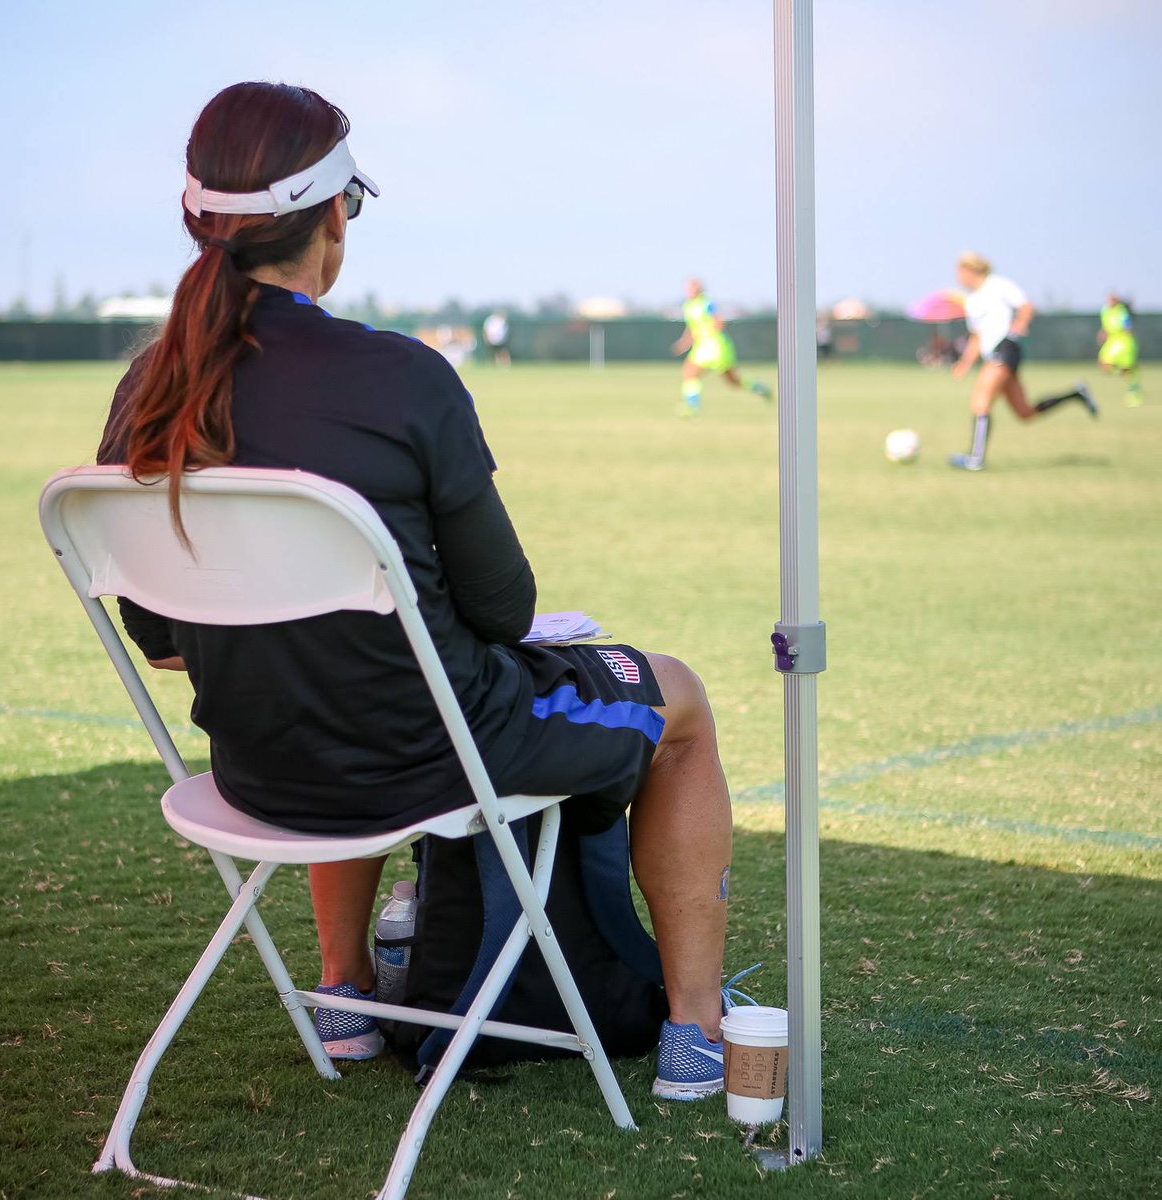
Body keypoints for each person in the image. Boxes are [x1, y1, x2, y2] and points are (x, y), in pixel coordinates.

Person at [95, 81, 736, 1103]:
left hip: (261, 775)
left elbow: (161, 641)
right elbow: (505, 614)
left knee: (320, 675)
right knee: (684, 703)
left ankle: (345, 994)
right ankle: (697, 1033)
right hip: (431, 761)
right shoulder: (404, 377)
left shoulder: (151, 393)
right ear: (334, 216)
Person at [949, 251, 1097, 472]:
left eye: (960, 273)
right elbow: (977, 336)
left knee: (981, 400)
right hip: (994, 355)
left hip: (1006, 349)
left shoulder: (997, 285)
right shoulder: (971, 300)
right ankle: (1076, 394)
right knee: (1025, 412)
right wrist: (965, 363)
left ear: (971, 270)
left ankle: (975, 458)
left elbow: (1026, 306)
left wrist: (1016, 329)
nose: (958, 278)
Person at [671, 278, 772, 416]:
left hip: (715, 344)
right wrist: (684, 342)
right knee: (731, 380)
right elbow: (691, 327)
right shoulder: (688, 306)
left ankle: (692, 408)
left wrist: (716, 325)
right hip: (703, 345)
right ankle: (759, 388)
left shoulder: (706, 302)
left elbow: (717, 320)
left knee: (691, 372)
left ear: (699, 289)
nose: (689, 290)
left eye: (692, 287)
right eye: (687, 288)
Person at [1098, 292, 1143, 407]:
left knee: (1127, 369)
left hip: (1124, 342)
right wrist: (1102, 334)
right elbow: (1106, 327)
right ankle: (1126, 375)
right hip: (1112, 342)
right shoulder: (1105, 311)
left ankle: (1134, 390)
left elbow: (1127, 327)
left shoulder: (1122, 311)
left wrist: (1129, 342)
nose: (1111, 301)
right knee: (1104, 365)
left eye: (1113, 299)